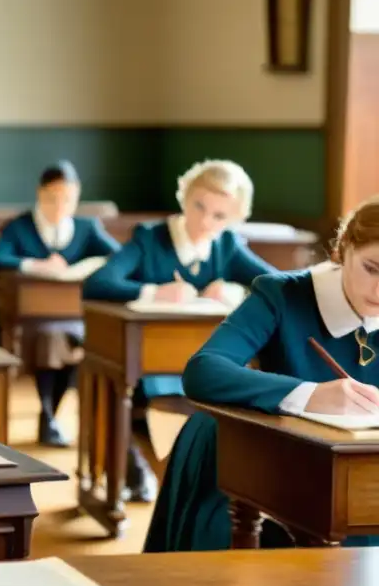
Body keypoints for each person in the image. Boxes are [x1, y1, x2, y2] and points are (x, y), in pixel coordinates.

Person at [145, 196, 379, 552]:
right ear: (342, 250)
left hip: (355, 473)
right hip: (259, 466)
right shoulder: (281, 293)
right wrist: (311, 394)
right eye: (372, 268)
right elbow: (203, 370)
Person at [82, 159, 275, 502]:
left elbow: (276, 286)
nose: (205, 222)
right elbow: (98, 283)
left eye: (219, 216)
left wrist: (233, 291)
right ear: (184, 196)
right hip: (147, 365)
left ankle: (201, 484)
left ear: (233, 219)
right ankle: (140, 467)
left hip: (205, 364)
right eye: (199, 206)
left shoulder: (227, 245)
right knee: (133, 392)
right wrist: (154, 291)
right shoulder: (150, 238)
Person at [0, 160, 120, 446]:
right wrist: (36, 265)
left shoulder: (86, 227)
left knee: (70, 341)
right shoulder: (20, 226)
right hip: (19, 316)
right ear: (40, 194)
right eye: (52, 198)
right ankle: (43, 415)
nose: (59, 206)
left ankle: (49, 416)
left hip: (69, 317)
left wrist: (89, 267)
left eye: (67, 199)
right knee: (46, 340)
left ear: (77, 197)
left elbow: (121, 257)